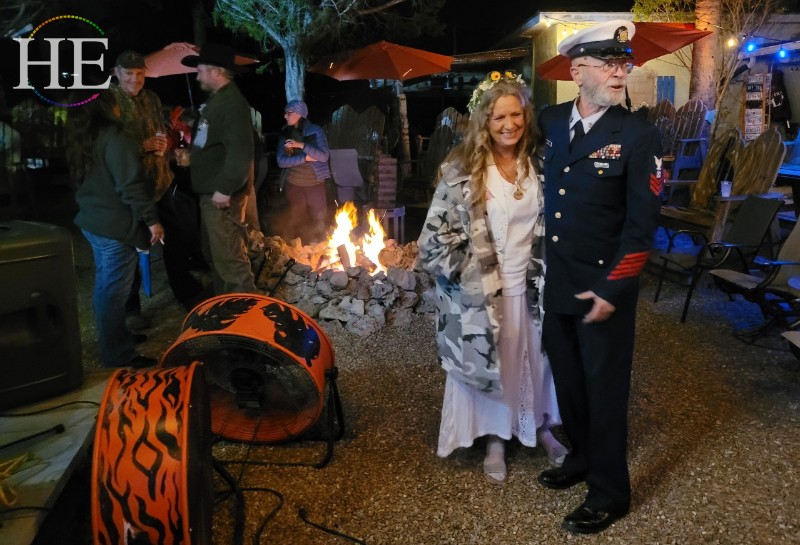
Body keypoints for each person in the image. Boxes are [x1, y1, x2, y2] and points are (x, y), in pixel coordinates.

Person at [536, 20, 663, 534]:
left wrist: (614, 288)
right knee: (569, 386)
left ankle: (610, 491)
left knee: (604, 392)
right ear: (577, 70)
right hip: (558, 284)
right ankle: (582, 459)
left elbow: (641, 229)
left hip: (603, 290)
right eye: (608, 63)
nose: (620, 72)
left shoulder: (637, 134)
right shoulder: (549, 120)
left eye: (624, 63)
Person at [417, 71, 566, 485]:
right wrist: (474, 278)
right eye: (499, 117)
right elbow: (431, 241)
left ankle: (541, 426)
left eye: (516, 114)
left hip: (533, 286)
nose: (509, 125)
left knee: (536, 360)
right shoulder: (461, 170)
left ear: (526, 116)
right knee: (495, 362)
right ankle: (495, 438)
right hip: (482, 294)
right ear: (484, 120)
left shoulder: (539, 163)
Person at [67, 91, 164, 369]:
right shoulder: (115, 137)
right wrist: (152, 220)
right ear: (107, 106)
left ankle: (116, 338)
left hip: (94, 222)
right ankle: (118, 354)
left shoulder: (84, 136)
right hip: (114, 226)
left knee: (105, 287)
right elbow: (131, 186)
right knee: (112, 292)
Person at [180, 43, 258, 295]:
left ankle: (246, 321)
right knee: (217, 257)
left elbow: (241, 152)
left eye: (201, 70)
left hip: (222, 197)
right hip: (211, 195)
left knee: (230, 262)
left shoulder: (232, 104)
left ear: (216, 71)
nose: (197, 75)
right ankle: (226, 311)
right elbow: (212, 143)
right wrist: (193, 157)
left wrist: (225, 188)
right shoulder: (218, 101)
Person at [109, 50, 175, 331]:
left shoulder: (152, 98)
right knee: (130, 249)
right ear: (116, 72)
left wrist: (163, 141)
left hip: (160, 183)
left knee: (174, 238)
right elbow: (110, 149)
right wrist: (143, 146)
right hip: (129, 189)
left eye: (139, 73)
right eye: (128, 74)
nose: (135, 79)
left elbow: (160, 129)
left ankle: (184, 290)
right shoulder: (109, 102)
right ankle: (130, 308)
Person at [276, 100, 332, 244]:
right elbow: (281, 161)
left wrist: (301, 145)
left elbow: (323, 156)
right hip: (294, 184)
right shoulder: (285, 133)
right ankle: (298, 252)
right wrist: (305, 157)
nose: (285, 116)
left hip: (315, 184)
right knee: (296, 219)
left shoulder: (315, 131)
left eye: (288, 113)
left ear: (299, 114)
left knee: (319, 218)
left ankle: (320, 249)